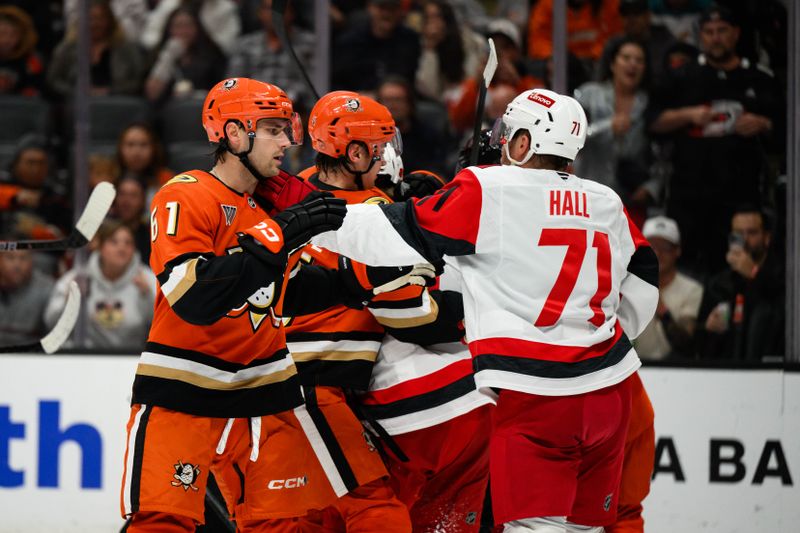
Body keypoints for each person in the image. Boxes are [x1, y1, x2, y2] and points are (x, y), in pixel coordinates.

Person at [313, 88, 660, 532]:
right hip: (610, 389)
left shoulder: (488, 188)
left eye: (508, 134)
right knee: (583, 528)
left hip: (537, 394)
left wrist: (309, 220)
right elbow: (644, 276)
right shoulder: (605, 199)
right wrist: (600, 331)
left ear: (522, 143)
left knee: (534, 527)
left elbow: (387, 236)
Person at [118, 77, 425, 531]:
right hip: (183, 392)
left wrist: (369, 276)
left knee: (287, 526)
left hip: (265, 395)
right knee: (162, 525)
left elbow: (293, 290)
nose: (287, 142)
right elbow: (193, 297)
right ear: (234, 133)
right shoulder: (186, 193)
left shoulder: (265, 208)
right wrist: (281, 233)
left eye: (288, 128)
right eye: (274, 129)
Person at [648, 4, 782, 275]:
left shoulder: (760, 79)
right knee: (687, 269)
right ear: (700, 36)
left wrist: (764, 123)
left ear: (736, 34)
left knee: (738, 266)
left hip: (741, 197)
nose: (716, 37)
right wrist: (688, 114)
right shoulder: (681, 77)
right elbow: (652, 122)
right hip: (689, 197)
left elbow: (786, 131)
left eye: (722, 31)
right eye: (709, 32)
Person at [574, 37, 655, 226]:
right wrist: (606, 127)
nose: (632, 64)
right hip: (588, 194)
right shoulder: (588, 94)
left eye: (639, 60)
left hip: (631, 200)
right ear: (612, 63)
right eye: (626, 58)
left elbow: (662, 150)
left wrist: (652, 188)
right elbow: (570, 137)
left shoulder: (649, 103)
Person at [44, 221, 156, 350]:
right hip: (87, 359)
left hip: (135, 357)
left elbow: (164, 329)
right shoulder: (78, 278)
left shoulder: (148, 280)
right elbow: (51, 323)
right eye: (114, 242)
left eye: (128, 243)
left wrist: (148, 297)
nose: (122, 248)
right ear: (100, 247)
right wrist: (69, 301)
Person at [697, 205, 784, 361]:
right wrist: (707, 328)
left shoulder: (783, 275)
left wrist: (754, 274)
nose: (745, 240)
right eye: (738, 234)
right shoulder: (718, 284)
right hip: (728, 371)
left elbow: (782, 314)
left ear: (766, 238)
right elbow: (699, 345)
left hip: (771, 370)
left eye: (751, 233)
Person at [226, 0, 316, 113]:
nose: (274, 14)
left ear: (292, 13)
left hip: (295, 111)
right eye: (268, 9)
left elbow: (314, 82)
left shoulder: (309, 44)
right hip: (253, 110)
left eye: (281, 9)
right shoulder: (245, 44)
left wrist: (283, 101)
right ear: (260, 13)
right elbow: (234, 83)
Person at [634, 215, 702, 360]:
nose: (657, 253)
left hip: (677, 371)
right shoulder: (627, 287)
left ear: (677, 251)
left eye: (665, 247)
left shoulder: (692, 290)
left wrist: (662, 310)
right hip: (636, 370)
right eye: (651, 246)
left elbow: (686, 343)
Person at [46, 0, 145, 99]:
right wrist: (77, 92)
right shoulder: (67, 49)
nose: (94, 24)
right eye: (90, 19)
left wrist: (110, 92)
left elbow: (138, 81)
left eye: (99, 18)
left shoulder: (126, 49)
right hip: (76, 107)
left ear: (109, 21)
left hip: (117, 107)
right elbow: (53, 81)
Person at [331, 0, 420, 93]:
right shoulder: (349, 42)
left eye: (392, 9)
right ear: (370, 8)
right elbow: (338, 81)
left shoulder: (409, 39)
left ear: (400, 11)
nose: (387, 14)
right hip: (356, 100)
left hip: (394, 99)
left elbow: (408, 79)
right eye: (381, 8)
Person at [144, 5, 227, 104]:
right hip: (167, 110)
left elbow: (223, 91)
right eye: (178, 26)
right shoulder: (159, 54)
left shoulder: (212, 54)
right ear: (169, 29)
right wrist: (168, 58)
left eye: (188, 26)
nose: (183, 32)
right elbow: (152, 94)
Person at [0, 245, 54, 346]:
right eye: (10, 257)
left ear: (33, 260)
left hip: (32, 356)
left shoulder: (47, 289)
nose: (17, 265)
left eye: (23, 258)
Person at [0, 5, 45, 96]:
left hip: (19, 107)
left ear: (22, 36)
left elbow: (38, 87)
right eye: (2, 33)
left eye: (13, 34)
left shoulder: (31, 60)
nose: (7, 40)